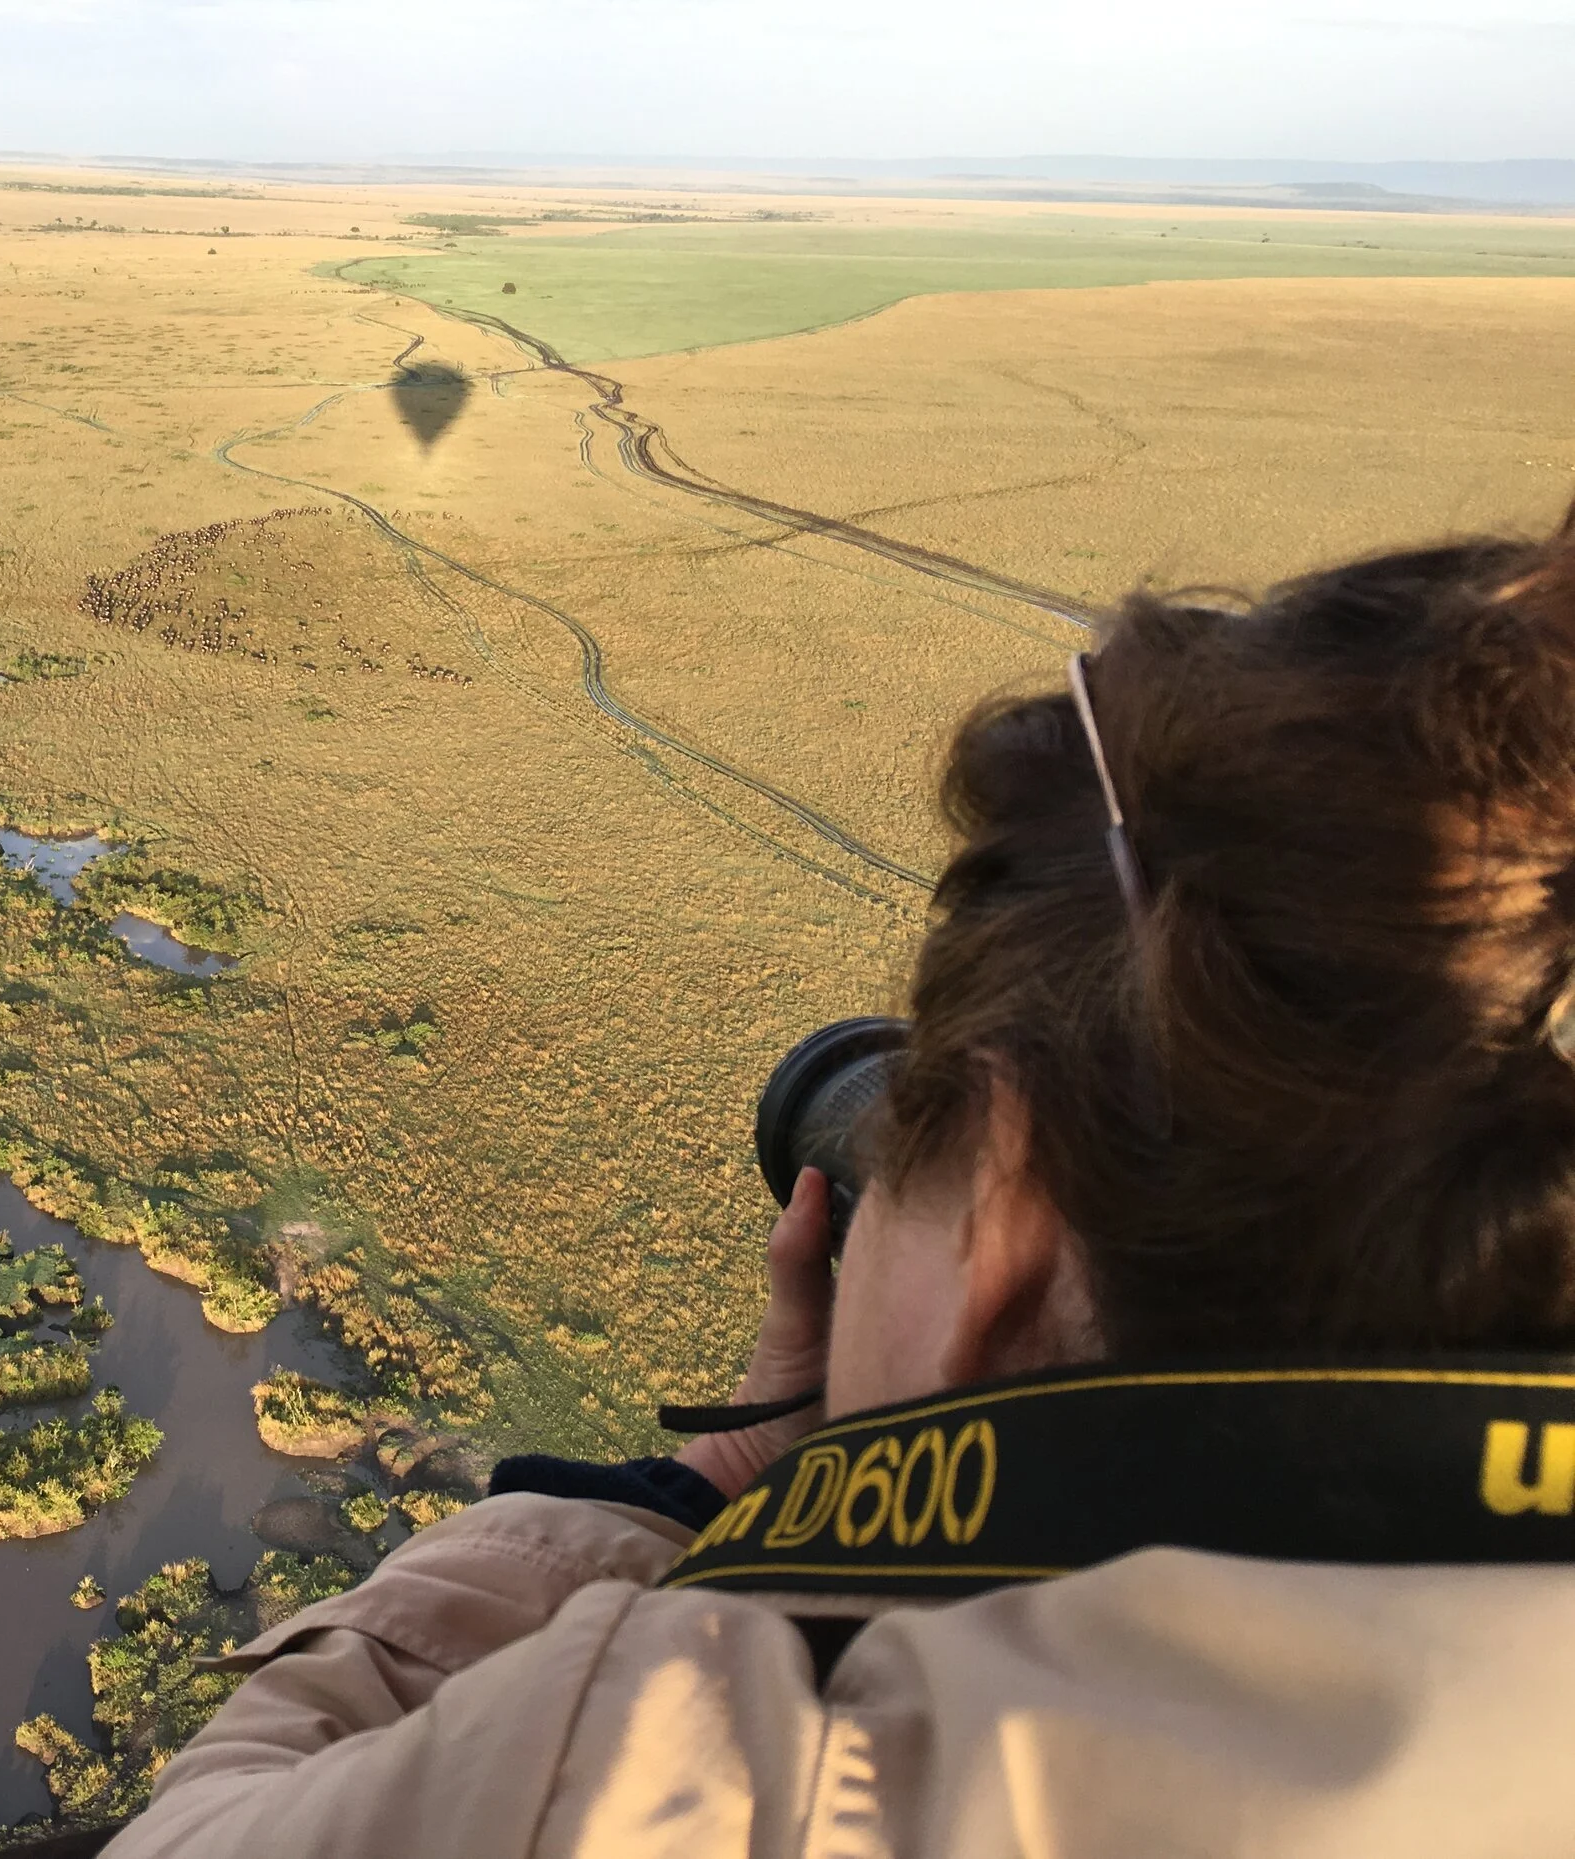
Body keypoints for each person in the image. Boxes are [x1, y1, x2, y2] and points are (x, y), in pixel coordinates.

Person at [98, 510, 1575, 1858]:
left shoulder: (699, 1786)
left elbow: (202, 1829)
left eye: (908, 1133)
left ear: (1002, 1220)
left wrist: (702, 1493)